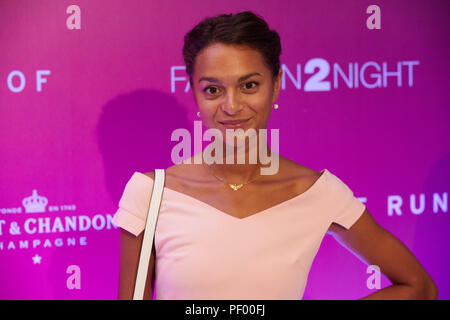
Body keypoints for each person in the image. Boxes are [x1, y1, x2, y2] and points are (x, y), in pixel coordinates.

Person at [113, 11, 438, 300]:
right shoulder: (150, 193)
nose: (231, 106)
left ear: (277, 84)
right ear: (194, 92)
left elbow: (418, 287)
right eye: (213, 89)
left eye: (249, 85)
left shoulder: (315, 192)